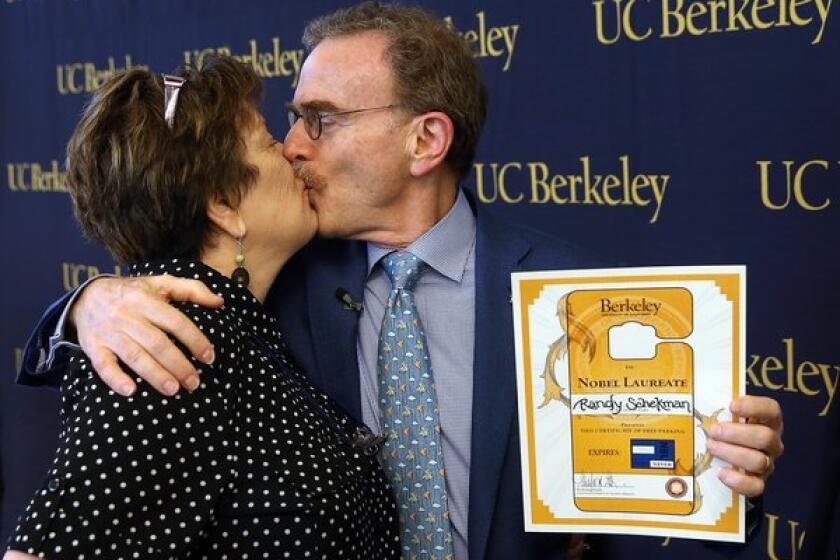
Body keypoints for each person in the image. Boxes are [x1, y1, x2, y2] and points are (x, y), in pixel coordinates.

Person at [18, 3, 784, 559]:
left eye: (321, 119)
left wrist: (724, 481)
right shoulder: (267, 289)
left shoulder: (575, 295)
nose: (294, 147)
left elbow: (651, 522)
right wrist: (86, 305)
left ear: (426, 139)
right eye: (287, 120)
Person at [6, 55, 399, 559]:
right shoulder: (169, 345)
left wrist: (84, 300)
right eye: (270, 143)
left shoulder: (233, 327)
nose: (295, 152)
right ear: (222, 204)